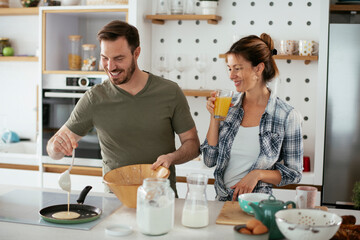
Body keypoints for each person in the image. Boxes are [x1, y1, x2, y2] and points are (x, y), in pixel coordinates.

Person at [46, 20, 200, 195]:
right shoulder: (94, 98)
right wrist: (56, 146)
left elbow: (192, 144)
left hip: (161, 200)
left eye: (119, 59)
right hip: (114, 202)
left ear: (136, 53)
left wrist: (172, 157)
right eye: (105, 58)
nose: (110, 67)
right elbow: (53, 151)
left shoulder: (170, 92)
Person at [200, 33, 303, 201]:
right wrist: (214, 118)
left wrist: (258, 174)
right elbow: (209, 160)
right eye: (229, 68)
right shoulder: (228, 107)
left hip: (258, 206)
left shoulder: (287, 116)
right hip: (222, 204)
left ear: (258, 68)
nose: (231, 75)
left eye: (237, 68)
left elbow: (294, 174)